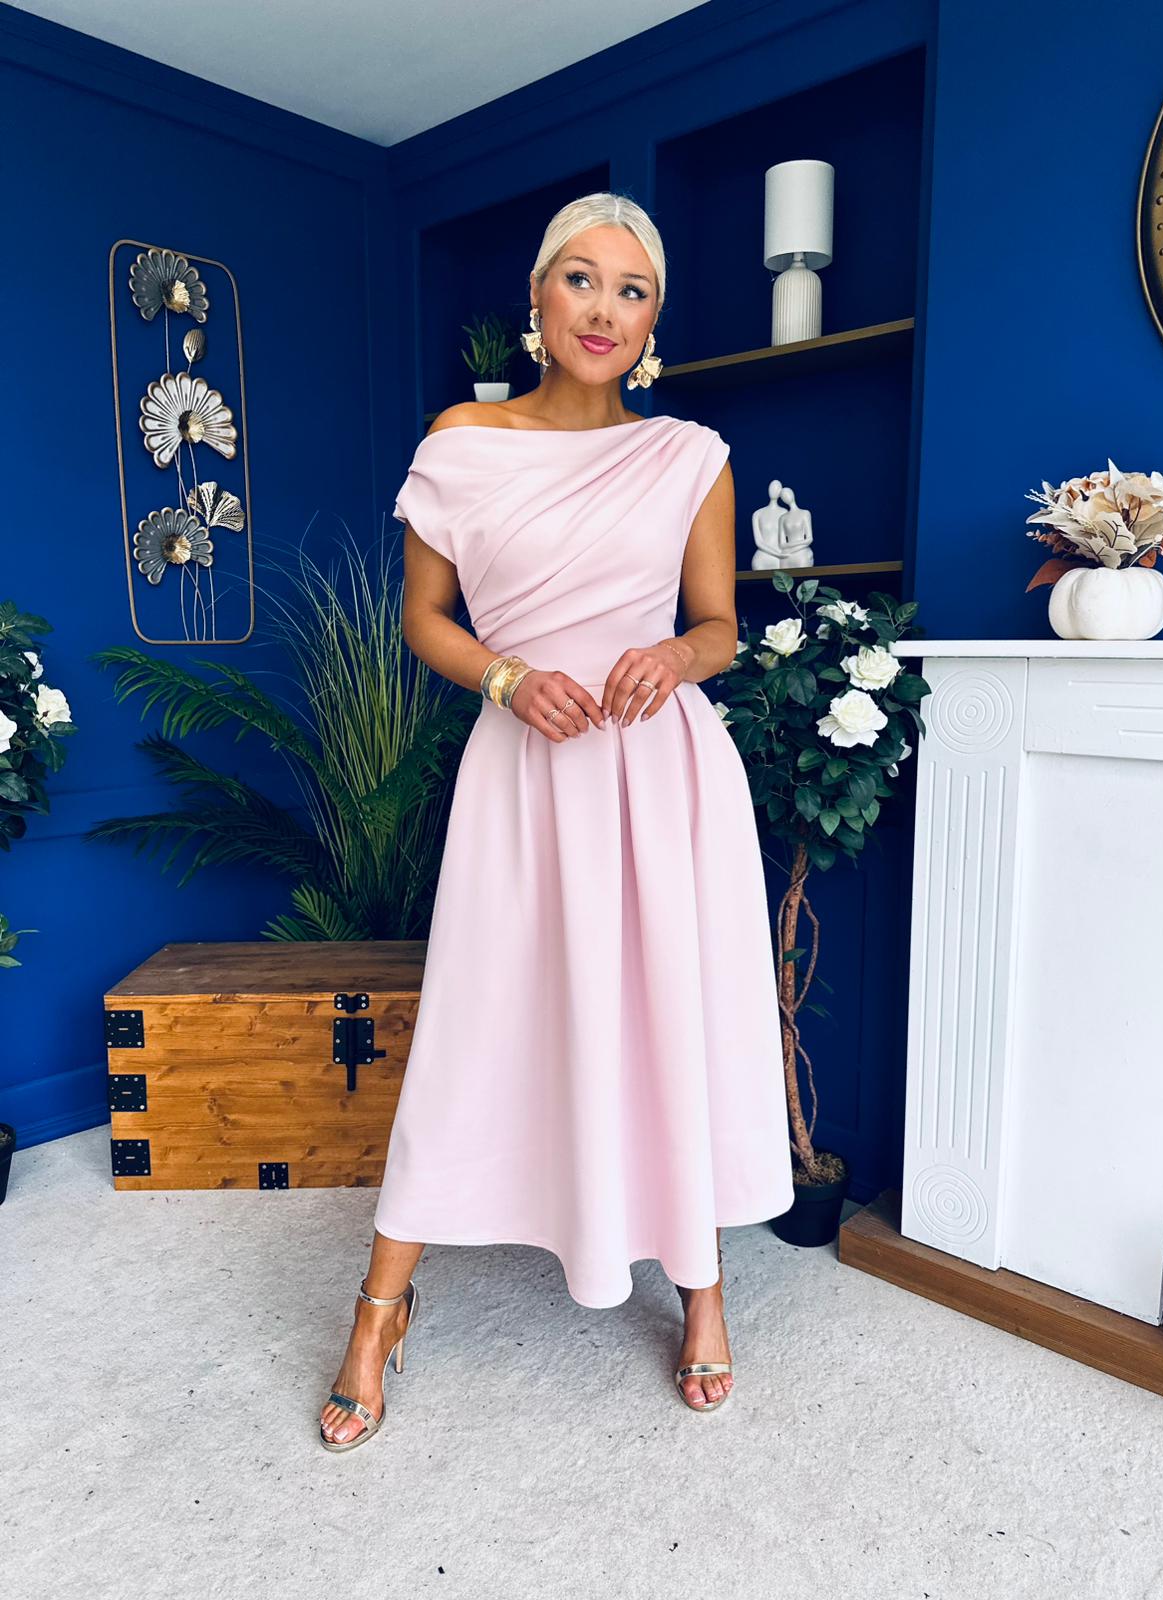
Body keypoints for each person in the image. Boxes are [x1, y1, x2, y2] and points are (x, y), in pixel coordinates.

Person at [319, 191, 794, 1450]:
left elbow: (718, 626)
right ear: (537, 299)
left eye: (633, 290)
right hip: (525, 769)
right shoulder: (463, 440)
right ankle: (379, 1307)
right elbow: (426, 618)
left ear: (654, 322)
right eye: (581, 279)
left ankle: (702, 1290)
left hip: (659, 772)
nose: (604, 308)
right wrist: (509, 679)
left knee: (670, 1019)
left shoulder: (689, 454)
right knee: (474, 1023)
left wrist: (673, 659)